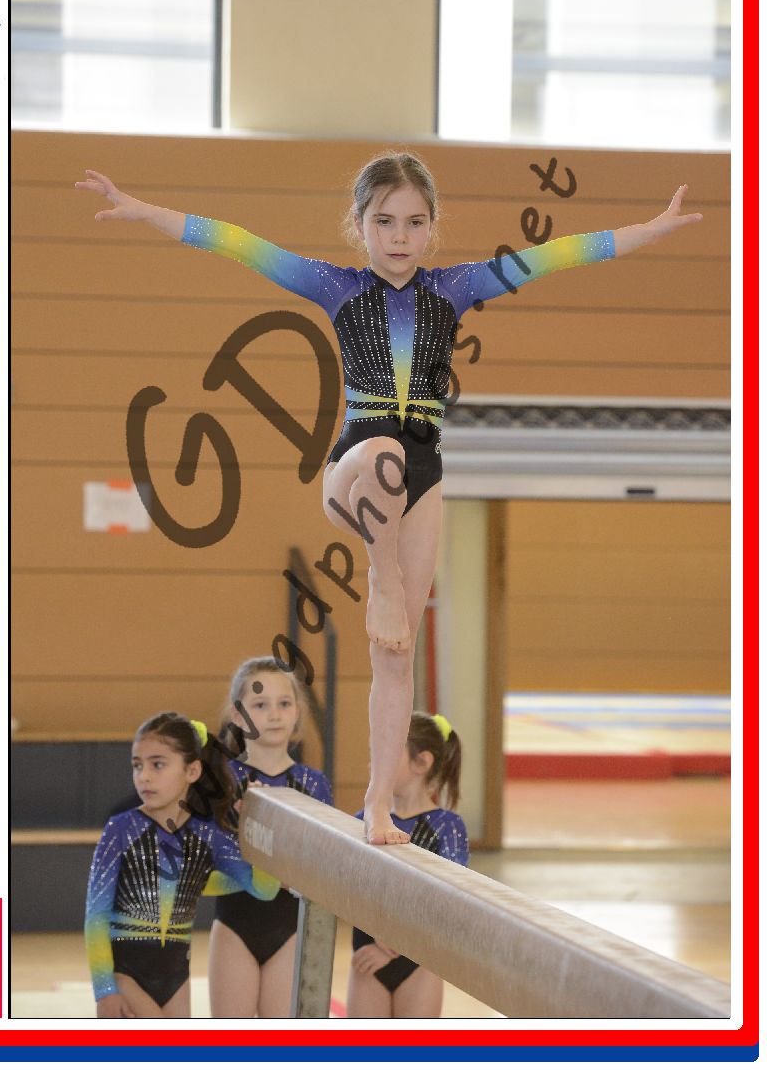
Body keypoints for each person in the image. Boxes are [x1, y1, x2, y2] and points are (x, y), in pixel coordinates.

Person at [75, 156, 703, 846]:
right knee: (387, 456)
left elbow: (560, 254)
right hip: (356, 469)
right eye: (384, 222)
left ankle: (377, 803)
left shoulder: (456, 288)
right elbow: (237, 242)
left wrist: (650, 229)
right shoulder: (335, 286)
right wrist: (144, 210)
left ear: (432, 227)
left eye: (414, 222)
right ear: (359, 224)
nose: (400, 236)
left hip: (424, 474)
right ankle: (381, 577)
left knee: (396, 657)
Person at [84, 711, 279, 1019]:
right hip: (126, 978)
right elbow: (96, 916)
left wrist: (258, 826)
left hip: (176, 981)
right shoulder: (120, 830)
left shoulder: (208, 836)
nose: (144, 776)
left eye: (157, 764)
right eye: (138, 765)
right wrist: (105, 990)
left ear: (192, 771)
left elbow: (263, 889)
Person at [208, 656, 333, 1017]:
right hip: (234, 928)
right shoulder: (222, 781)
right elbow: (207, 863)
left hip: (290, 931)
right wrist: (244, 824)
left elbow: (324, 864)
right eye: (260, 705)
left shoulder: (313, 785)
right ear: (238, 715)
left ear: (298, 712)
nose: (275, 714)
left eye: (284, 703)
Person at [348, 711, 468, 1018]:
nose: (372, 763)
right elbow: (350, 890)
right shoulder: (365, 821)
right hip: (367, 954)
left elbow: (449, 901)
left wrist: (395, 945)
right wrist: (376, 939)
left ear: (421, 763)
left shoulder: (447, 826)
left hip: (420, 961)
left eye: (384, 754)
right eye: (373, 753)